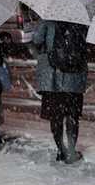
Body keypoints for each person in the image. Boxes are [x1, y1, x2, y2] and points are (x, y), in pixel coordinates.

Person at [32, 19, 88, 163]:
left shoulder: (48, 18)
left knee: (55, 116)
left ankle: (61, 149)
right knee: (72, 116)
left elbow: (36, 39)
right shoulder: (79, 19)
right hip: (74, 77)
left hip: (53, 78)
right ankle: (70, 152)